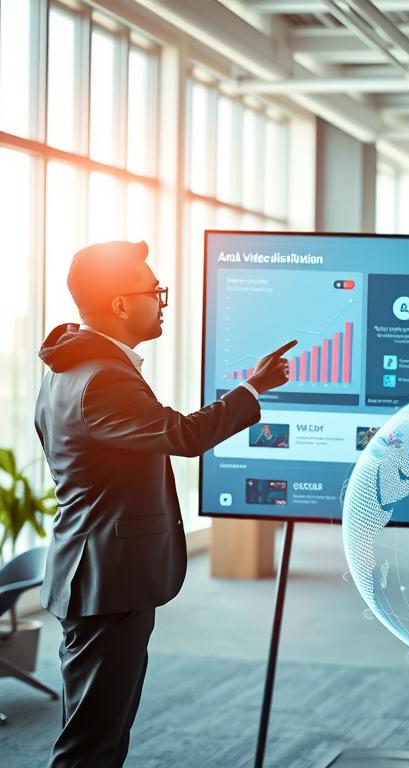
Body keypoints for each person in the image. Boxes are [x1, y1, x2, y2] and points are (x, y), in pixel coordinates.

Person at [35, 240, 295, 767]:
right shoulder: (102, 378)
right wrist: (253, 388)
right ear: (120, 305)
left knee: (100, 729)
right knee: (91, 742)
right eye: (153, 291)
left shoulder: (73, 368)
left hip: (99, 574)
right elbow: (182, 434)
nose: (162, 300)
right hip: (106, 579)